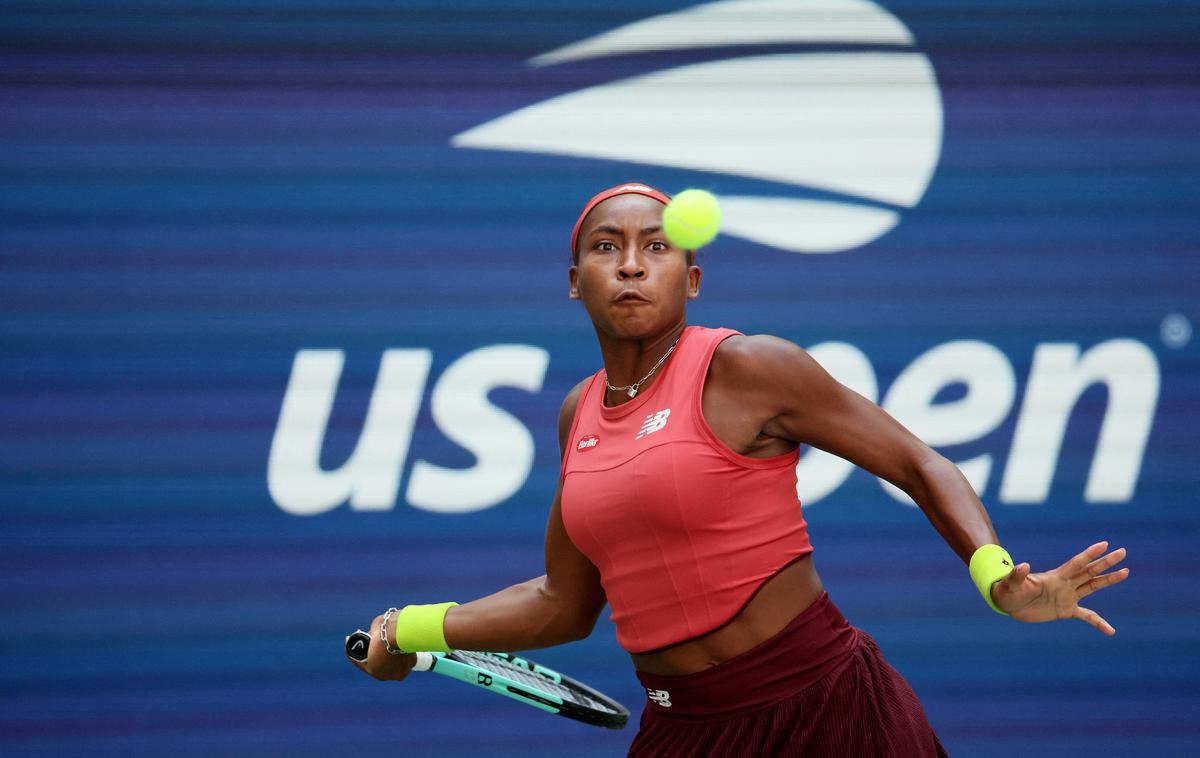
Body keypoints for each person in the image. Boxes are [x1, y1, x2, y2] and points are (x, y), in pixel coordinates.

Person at [349, 183, 1130, 756]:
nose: (630, 265)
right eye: (605, 247)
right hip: (685, 729)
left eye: (656, 247)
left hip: (831, 711)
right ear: (574, 281)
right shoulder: (576, 416)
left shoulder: (750, 368)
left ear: (690, 280)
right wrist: (408, 627)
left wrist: (997, 580)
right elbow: (564, 602)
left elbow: (919, 463)